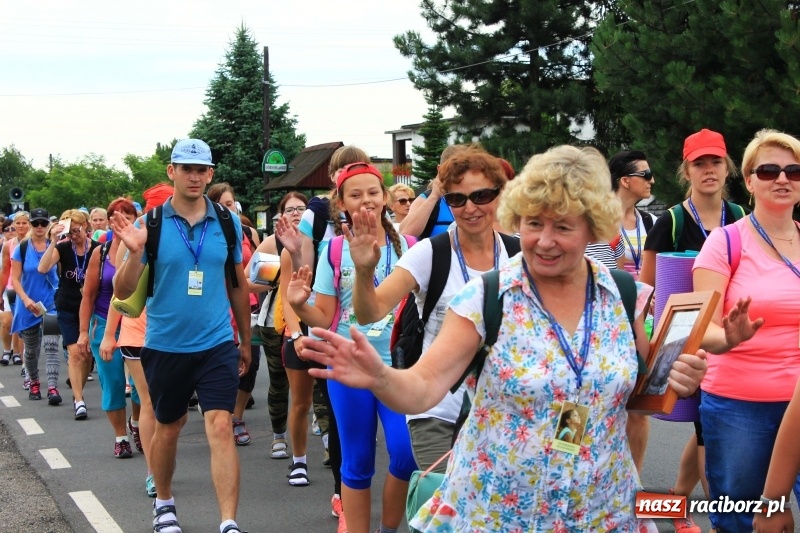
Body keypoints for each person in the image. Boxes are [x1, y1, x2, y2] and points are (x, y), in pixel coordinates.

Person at [300, 145, 708, 532]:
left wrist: (676, 378)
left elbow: (635, 392)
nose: (544, 240)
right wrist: (380, 377)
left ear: (592, 228)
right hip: (502, 510)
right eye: (533, 223)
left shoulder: (623, 295)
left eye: (562, 226)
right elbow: (424, 385)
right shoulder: (486, 297)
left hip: (601, 508)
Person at [111, 138, 251, 533]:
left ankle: (228, 521)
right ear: (171, 171)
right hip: (166, 344)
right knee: (169, 427)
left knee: (220, 424)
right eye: (185, 168)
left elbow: (238, 285)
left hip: (217, 343)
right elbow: (122, 292)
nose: (194, 176)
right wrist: (135, 254)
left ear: (210, 174)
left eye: (201, 169)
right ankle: (165, 501)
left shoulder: (225, 221)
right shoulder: (148, 225)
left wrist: (244, 338)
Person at [348, 147, 515, 473]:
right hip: (437, 411)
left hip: (507, 416)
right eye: (456, 199)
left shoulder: (521, 255)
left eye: (481, 196)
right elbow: (371, 311)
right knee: (446, 512)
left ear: (499, 194)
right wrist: (365, 272)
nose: (470, 208)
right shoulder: (430, 254)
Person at [286, 161, 417, 533]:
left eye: (373, 193)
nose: (366, 202)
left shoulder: (410, 247)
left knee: (406, 455)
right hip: (349, 368)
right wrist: (298, 305)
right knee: (357, 461)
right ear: (341, 204)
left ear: (386, 198)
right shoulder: (334, 249)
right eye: (355, 195)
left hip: (398, 369)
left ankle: (388, 529)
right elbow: (324, 315)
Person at [693, 129, 800, 533]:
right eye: (769, 170)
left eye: (794, 170)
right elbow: (704, 332)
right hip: (741, 408)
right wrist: (730, 338)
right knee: (742, 520)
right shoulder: (724, 242)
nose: (783, 179)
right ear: (751, 181)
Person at [641, 128, 746, 533]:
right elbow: (647, 293)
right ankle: (723, 523)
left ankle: (672, 503)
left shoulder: (739, 217)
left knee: (707, 427)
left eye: (715, 162)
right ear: (686, 170)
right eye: (699, 163)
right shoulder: (670, 221)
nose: (708, 170)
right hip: (682, 344)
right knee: (709, 431)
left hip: (725, 340)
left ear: (727, 167)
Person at [275, 145, 368, 533]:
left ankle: (360, 496)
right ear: (334, 179)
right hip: (326, 330)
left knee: (390, 442)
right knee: (326, 414)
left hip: (374, 341)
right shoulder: (318, 213)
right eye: (344, 171)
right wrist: (297, 329)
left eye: (359, 171)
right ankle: (340, 492)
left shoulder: (384, 226)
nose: (353, 179)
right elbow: (301, 272)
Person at [247, 192, 306, 461]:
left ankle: (327, 435)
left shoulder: (319, 239)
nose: (296, 213)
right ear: (281, 215)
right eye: (290, 209)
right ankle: (279, 436)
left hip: (312, 318)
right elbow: (247, 280)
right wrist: (273, 282)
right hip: (275, 321)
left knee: (317, 385)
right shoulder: (272, 243)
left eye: (301, 208)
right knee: (279, 382)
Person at [77, 198, 138, 457]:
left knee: (140, 386)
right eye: (117, 216)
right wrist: (82, 333)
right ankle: (120, 436)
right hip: (104, 323)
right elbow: (88, 295)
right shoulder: (99, 254)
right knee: (113, 383)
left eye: (129, 215)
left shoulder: (145, 249)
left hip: (138, 325)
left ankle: (137, 423)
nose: (123, 220)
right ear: (110, 222)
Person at [207, 182, 260, 446]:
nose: (226, 209)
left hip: (248, 302)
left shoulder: (247, 232)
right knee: (224, 365)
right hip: (218, 305)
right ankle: (219, 414)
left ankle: (237, 416)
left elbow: (258, 265)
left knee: (251, 363)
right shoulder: (207, 231)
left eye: (230, 204)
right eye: (221, 205)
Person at [38, 209, 99, 420]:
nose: (74, 235)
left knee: (87, 356)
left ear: (86, 226)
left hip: (91, 306)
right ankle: (79, 400)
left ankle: (77, 392)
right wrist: (54, 240)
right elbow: (43, 268)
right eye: (69, 232)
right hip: (67, 305)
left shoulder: (98, 249)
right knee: (74, 352)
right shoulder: (63, 248)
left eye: (77, 230)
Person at [10, 208, 60, 403]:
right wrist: (25, 299)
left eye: (43, 223)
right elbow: (15, 279)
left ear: (48, 225)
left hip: (51, 304)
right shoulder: (21, 248)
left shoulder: (55, 246)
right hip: (28, 304)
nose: (39, 227)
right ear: (31, 225)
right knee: (31, 350)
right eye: (35, 223)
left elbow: (62, 274)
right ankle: (34, 382)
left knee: (51, 346)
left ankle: (53, 387)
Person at [399, 145, 468, 239]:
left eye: (465, 170)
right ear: (440, 170)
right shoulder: (427, 199)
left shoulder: (478, 199)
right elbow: (405, 233)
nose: (459, 176)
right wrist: (434, 196)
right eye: (453, 169)